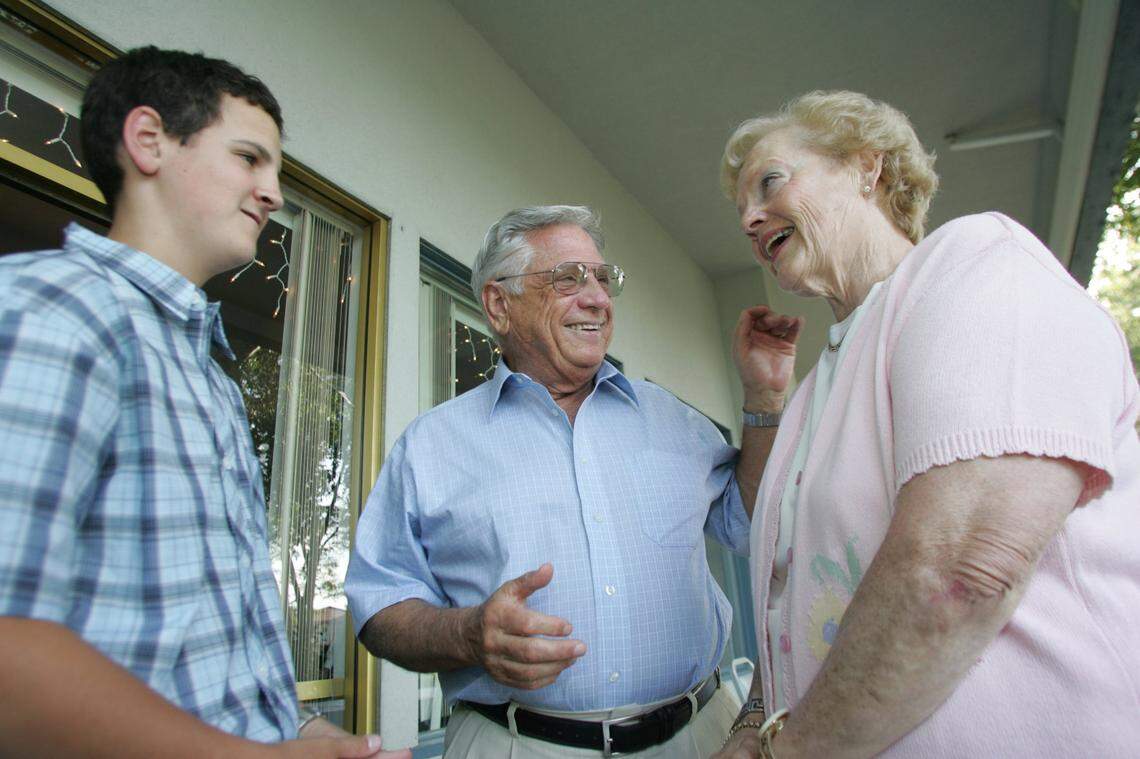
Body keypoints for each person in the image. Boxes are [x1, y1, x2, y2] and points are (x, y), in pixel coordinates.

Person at [0, 46, 407, 759]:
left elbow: (217, 667)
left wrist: (316, 738)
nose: (274, 193)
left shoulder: (211, 381)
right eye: (250, 158)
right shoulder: (53, 310)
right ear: (149, 141)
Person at [711, 90, 1140, 758]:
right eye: (740, 208)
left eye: (768, 183)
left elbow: (960, 570)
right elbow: (785, 600)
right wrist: (751, 724)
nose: (749, 217)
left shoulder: (977, 263)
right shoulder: (813, 386)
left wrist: (783, 754)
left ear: (865, 167)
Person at [347, 204, 781, 757]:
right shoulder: (431, 446)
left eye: (602, 279)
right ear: (499, 305)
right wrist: (468, 634)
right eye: (567, 279)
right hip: (518, 744)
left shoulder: (677, 421)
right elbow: (380, 605)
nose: (598, 298)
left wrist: (764, 400)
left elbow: (752, 524)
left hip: (702, 738)